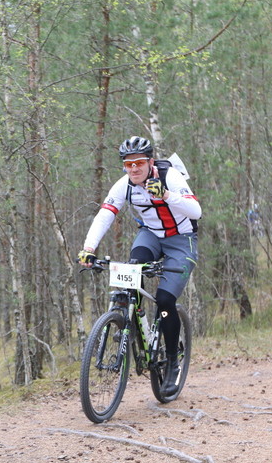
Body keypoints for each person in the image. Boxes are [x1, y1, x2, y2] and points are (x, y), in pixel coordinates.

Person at [78, 135, 201, 397]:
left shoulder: (171, 177)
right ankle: (133, 323)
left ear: (150, 162)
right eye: (128, 163)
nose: (133, 168)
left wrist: (167, 195)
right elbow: (105, 215)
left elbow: (196, 211)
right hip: (151, 236)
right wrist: (89, 248)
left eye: (139, 163)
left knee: (166, 300)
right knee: (132, 270)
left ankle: (171, 361)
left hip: (181, 240)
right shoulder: (124, 185)